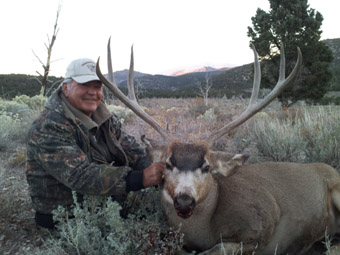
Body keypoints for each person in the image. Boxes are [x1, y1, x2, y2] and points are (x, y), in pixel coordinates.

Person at [26, 58, 165, 229]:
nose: (92, 92)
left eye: (97, 87)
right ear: (66, 88)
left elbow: (131, 149)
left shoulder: (105, 119)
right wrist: (140, 178)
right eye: (85, 85)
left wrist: (163, 169)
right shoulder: (48, 126)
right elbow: (80, 175)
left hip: (105, 202)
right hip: (67, 216)